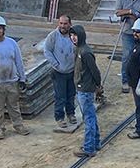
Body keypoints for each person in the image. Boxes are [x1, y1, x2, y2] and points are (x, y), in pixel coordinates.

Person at [43, 15, 78, 132]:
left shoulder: (73, 35)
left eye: (65, 24)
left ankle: (71, 114)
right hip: (59, 72)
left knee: (71, 94)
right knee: (60, 96)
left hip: (71, 70)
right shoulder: (53, 36)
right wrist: (56, 64)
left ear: (70, 24)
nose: (63, 26)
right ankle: (59, 117)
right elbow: (47, 51)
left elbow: (78, 48)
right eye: (61, 23)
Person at [71, 24, 102, 156]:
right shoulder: (78, 50)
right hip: (81, 88)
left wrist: (98, 86)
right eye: (71, 35)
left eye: (75, 35)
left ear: (81, 36)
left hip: (85, 90)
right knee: (91, 116)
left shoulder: (85, 52)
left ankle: (89, 148)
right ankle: (95, 142)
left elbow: (95, 71)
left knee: (88, 118)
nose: (73, 38)